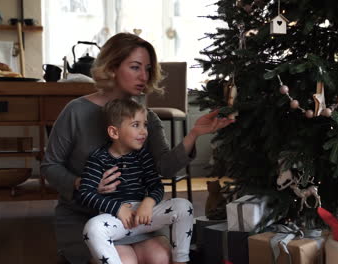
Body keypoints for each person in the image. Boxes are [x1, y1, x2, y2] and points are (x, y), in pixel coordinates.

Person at [41, 32, 234, 264]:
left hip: (133, 219)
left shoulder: (148, 119)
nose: (144, 76)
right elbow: (49, 166)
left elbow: (165, 168)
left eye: (148, 69)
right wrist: (82, 184)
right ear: (112, 67)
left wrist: (194, 134)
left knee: (161, 257)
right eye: (135, 67)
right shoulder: (76, 111)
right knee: (124, 259)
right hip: (84, 218)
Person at [80, 98, 192, 264]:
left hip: (143, 217)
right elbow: (85, 194)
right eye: (135, 125)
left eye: (145, 125)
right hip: (116, 221)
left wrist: (148, 202)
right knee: (92, 229)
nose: (144, 131)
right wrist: (118, 209)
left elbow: (156, 186)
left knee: (184, 206)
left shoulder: (143, 156)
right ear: (114, 133)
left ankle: (181, 260)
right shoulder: (98, 158)